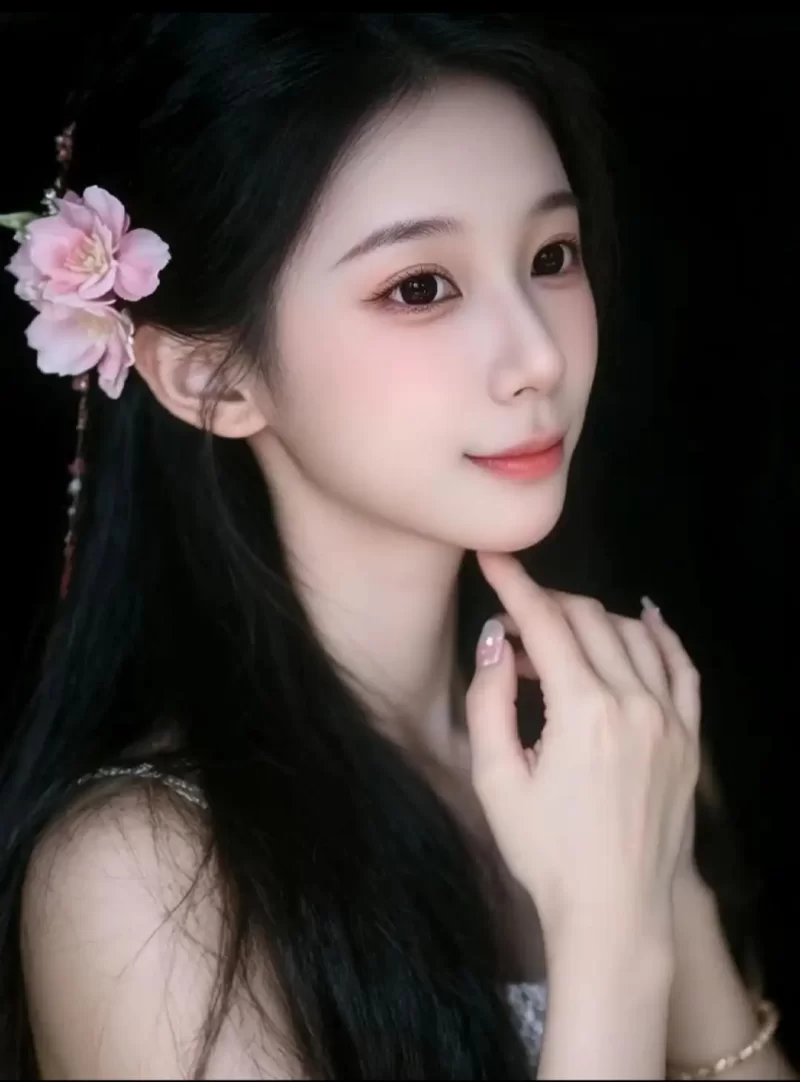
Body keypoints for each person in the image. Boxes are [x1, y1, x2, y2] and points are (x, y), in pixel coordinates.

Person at [0, 14, 793, 1080]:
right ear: (209, 376)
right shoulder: (140, 876)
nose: (536, 356)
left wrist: (667, 881)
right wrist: (612, 937)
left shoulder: (613, 739)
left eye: (550, 257)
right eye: (420, 286)